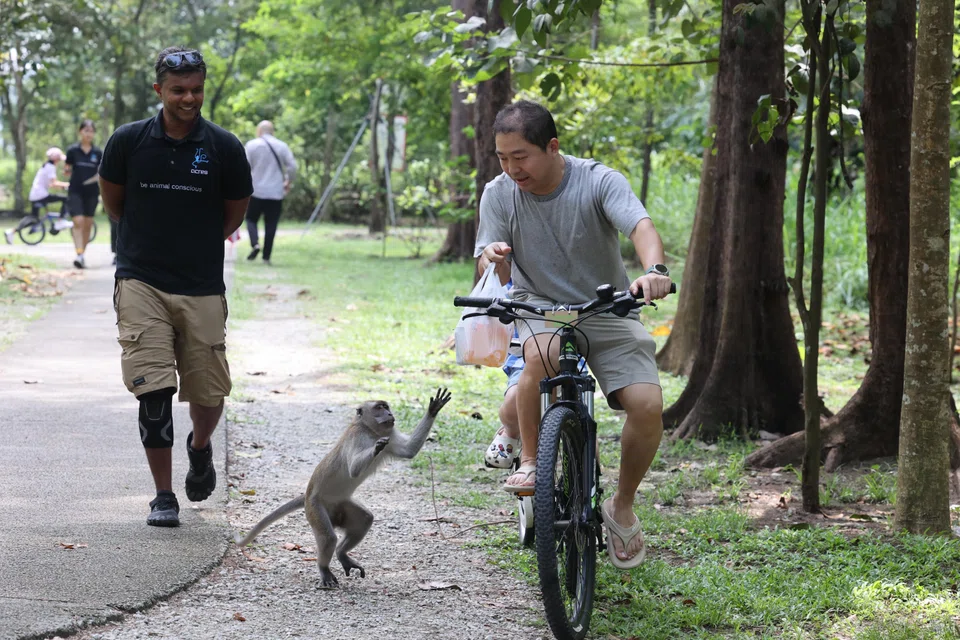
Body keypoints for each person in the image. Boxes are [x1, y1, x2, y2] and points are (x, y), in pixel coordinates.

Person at [474, 100, 672, 570]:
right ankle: (529, 462)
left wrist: (655, 270)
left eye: (520, 156)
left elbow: (640, 226)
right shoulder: (499, 193)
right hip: (540, 309)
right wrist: (494, 257)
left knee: (647, 406)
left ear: (552, 146)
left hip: (606, 309)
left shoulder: (598, 180)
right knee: (538, 357)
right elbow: (485, 257)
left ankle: (621, 506)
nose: (511, 168)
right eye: (502, 158)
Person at [98, 46, 253, 527]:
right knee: (154, 388)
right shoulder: (128, 142)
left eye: (197, 89)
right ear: (158, 90)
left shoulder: (224, 147)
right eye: (178, 90)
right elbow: (115, 204)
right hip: (141, 279)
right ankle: (163, 495)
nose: (189, 98)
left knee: (208, 392)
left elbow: (234, 214)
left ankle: (200, 447)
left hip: (201, 283)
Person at [244, 120, 296, 265]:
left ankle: (255, 244)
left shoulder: (252, 145)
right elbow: (292, 166)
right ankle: (266, 257)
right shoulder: (282, 146)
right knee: (271, 224)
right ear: (272, 131)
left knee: (250, 219)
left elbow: (244, 167)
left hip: (255, 191)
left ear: (259, 131)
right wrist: (288, 181)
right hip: (275, 192)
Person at [6, 148, 71, 245]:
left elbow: (50, 184)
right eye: (59, 159)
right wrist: (68, 185)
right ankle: (61, 220)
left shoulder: (46, 166)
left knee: (33, 219)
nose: (60, 161)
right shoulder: (50, 167)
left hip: (36, 195)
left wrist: (62, 186)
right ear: (55, 158)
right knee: (65, 199)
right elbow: (53, 183)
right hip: (40, 195)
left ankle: (11, 232)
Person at [64, 119, 103, 268]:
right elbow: (67, 169)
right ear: (80, 132)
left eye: (91, 131)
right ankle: (79, 253)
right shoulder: (72, 151)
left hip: (92, 192)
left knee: (87, 224)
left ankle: (82, 254)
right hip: (75, 190)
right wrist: (66, 171)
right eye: (86, 130)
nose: (89, 133)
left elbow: (102, 172)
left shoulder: (98, 152)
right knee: (78, 221)